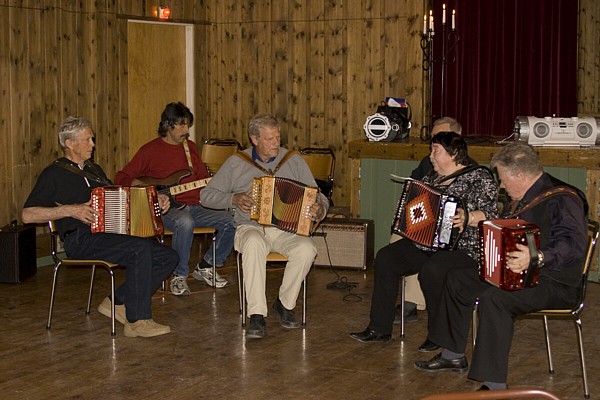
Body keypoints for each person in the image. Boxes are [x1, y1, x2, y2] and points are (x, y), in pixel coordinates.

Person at [414, 142, 588, 391]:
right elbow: (504, 222)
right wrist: (472, 218)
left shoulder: (562, 199)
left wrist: (536, 256)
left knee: (495, 299)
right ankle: (452, 355)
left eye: (504, 180)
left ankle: (494, 384)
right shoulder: (523, 196)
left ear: (520, 175)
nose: (502, 186)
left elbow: (574, 246)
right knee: (456, 278)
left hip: (554, 282)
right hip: (515, 272)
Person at [22, 116, 178, 338]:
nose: (93, 145)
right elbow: (27, 215)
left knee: (168, 256)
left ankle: (118, 302)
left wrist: (155, 201)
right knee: (140, 250)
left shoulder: (95, 170)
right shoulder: (53, 174)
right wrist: (71, 210)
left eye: (92, 139)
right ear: (70, 143)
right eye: (87, 140)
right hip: (79, 239)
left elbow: (120, 199)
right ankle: (137, 320)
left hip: (108, 233)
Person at [350, 132, 498, 351]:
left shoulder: (479, 177)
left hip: (465, 249)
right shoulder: (429, 180)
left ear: (454, 153)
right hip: (427, 244)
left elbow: (492, 215)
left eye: (436, 151)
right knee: (386, 257)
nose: (431, 156)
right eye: (431, 150)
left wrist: (469, 217)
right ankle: (379, 328)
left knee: (433, 270)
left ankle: (438, 336)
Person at [200, 113, 329, 339]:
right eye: (269, 139)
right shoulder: (236, 163)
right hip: (249, 226)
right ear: (254, 139)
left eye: (277, 137)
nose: (276, 144)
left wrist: (319, 207)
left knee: (307, 248)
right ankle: (257, 314)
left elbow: (318, 195)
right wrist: (234, 198)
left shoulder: (293, 160)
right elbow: (206, 196)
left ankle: (284, 304)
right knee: (253, 243)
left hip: (285, 229)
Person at [115, 102, 235, 295]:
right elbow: (121, 177)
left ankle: (206, 265)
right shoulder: (149, 151)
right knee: (184, 222)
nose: (186, 130)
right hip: (165, 210)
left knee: (230, 221)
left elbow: (203, 179)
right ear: (167, 125)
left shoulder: (191, 149)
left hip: (195, 205)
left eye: (187, 125)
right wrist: (144, 189)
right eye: (181, 125)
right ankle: (179, 275)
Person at [394, 117, 464, 324]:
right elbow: (413, 189)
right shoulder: (427, 162)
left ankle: (410, 304)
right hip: (422, 222)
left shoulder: (470, 170)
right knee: (398, 242)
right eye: (433, 138)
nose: (435, 142)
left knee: (424, 246)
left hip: (450, 232)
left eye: (441, 137)